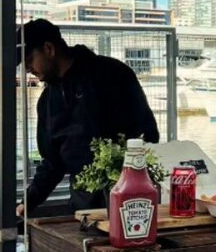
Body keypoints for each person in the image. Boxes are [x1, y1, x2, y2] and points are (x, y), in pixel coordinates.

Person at [16, 19, 159, 215]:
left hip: (130, 200)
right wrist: (28, 201)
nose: (27, 68)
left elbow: (148, 134)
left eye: (29, 59)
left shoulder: (112, 74)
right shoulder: (47, 101)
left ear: (49, 48)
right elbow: (52, 161)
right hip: (83, 205)